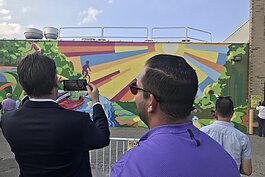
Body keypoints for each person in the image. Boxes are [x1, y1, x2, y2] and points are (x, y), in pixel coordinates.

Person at [111, 54, 239, 177]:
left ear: (151, 101)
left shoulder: (131, 167)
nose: (134, 96)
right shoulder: (225, 160)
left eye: (136, 88)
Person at [0, 53, 110, 177]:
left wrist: (50, 94)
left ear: (24, 87)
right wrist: (96, 102)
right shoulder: (77, 121)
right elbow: (102, 138)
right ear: (55, 80)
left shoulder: (7, 121)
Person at [200, 97, 252, 176]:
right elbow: (247, 171)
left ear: (216, 112)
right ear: (232, 113)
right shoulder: (243, 138)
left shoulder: (202, 132)